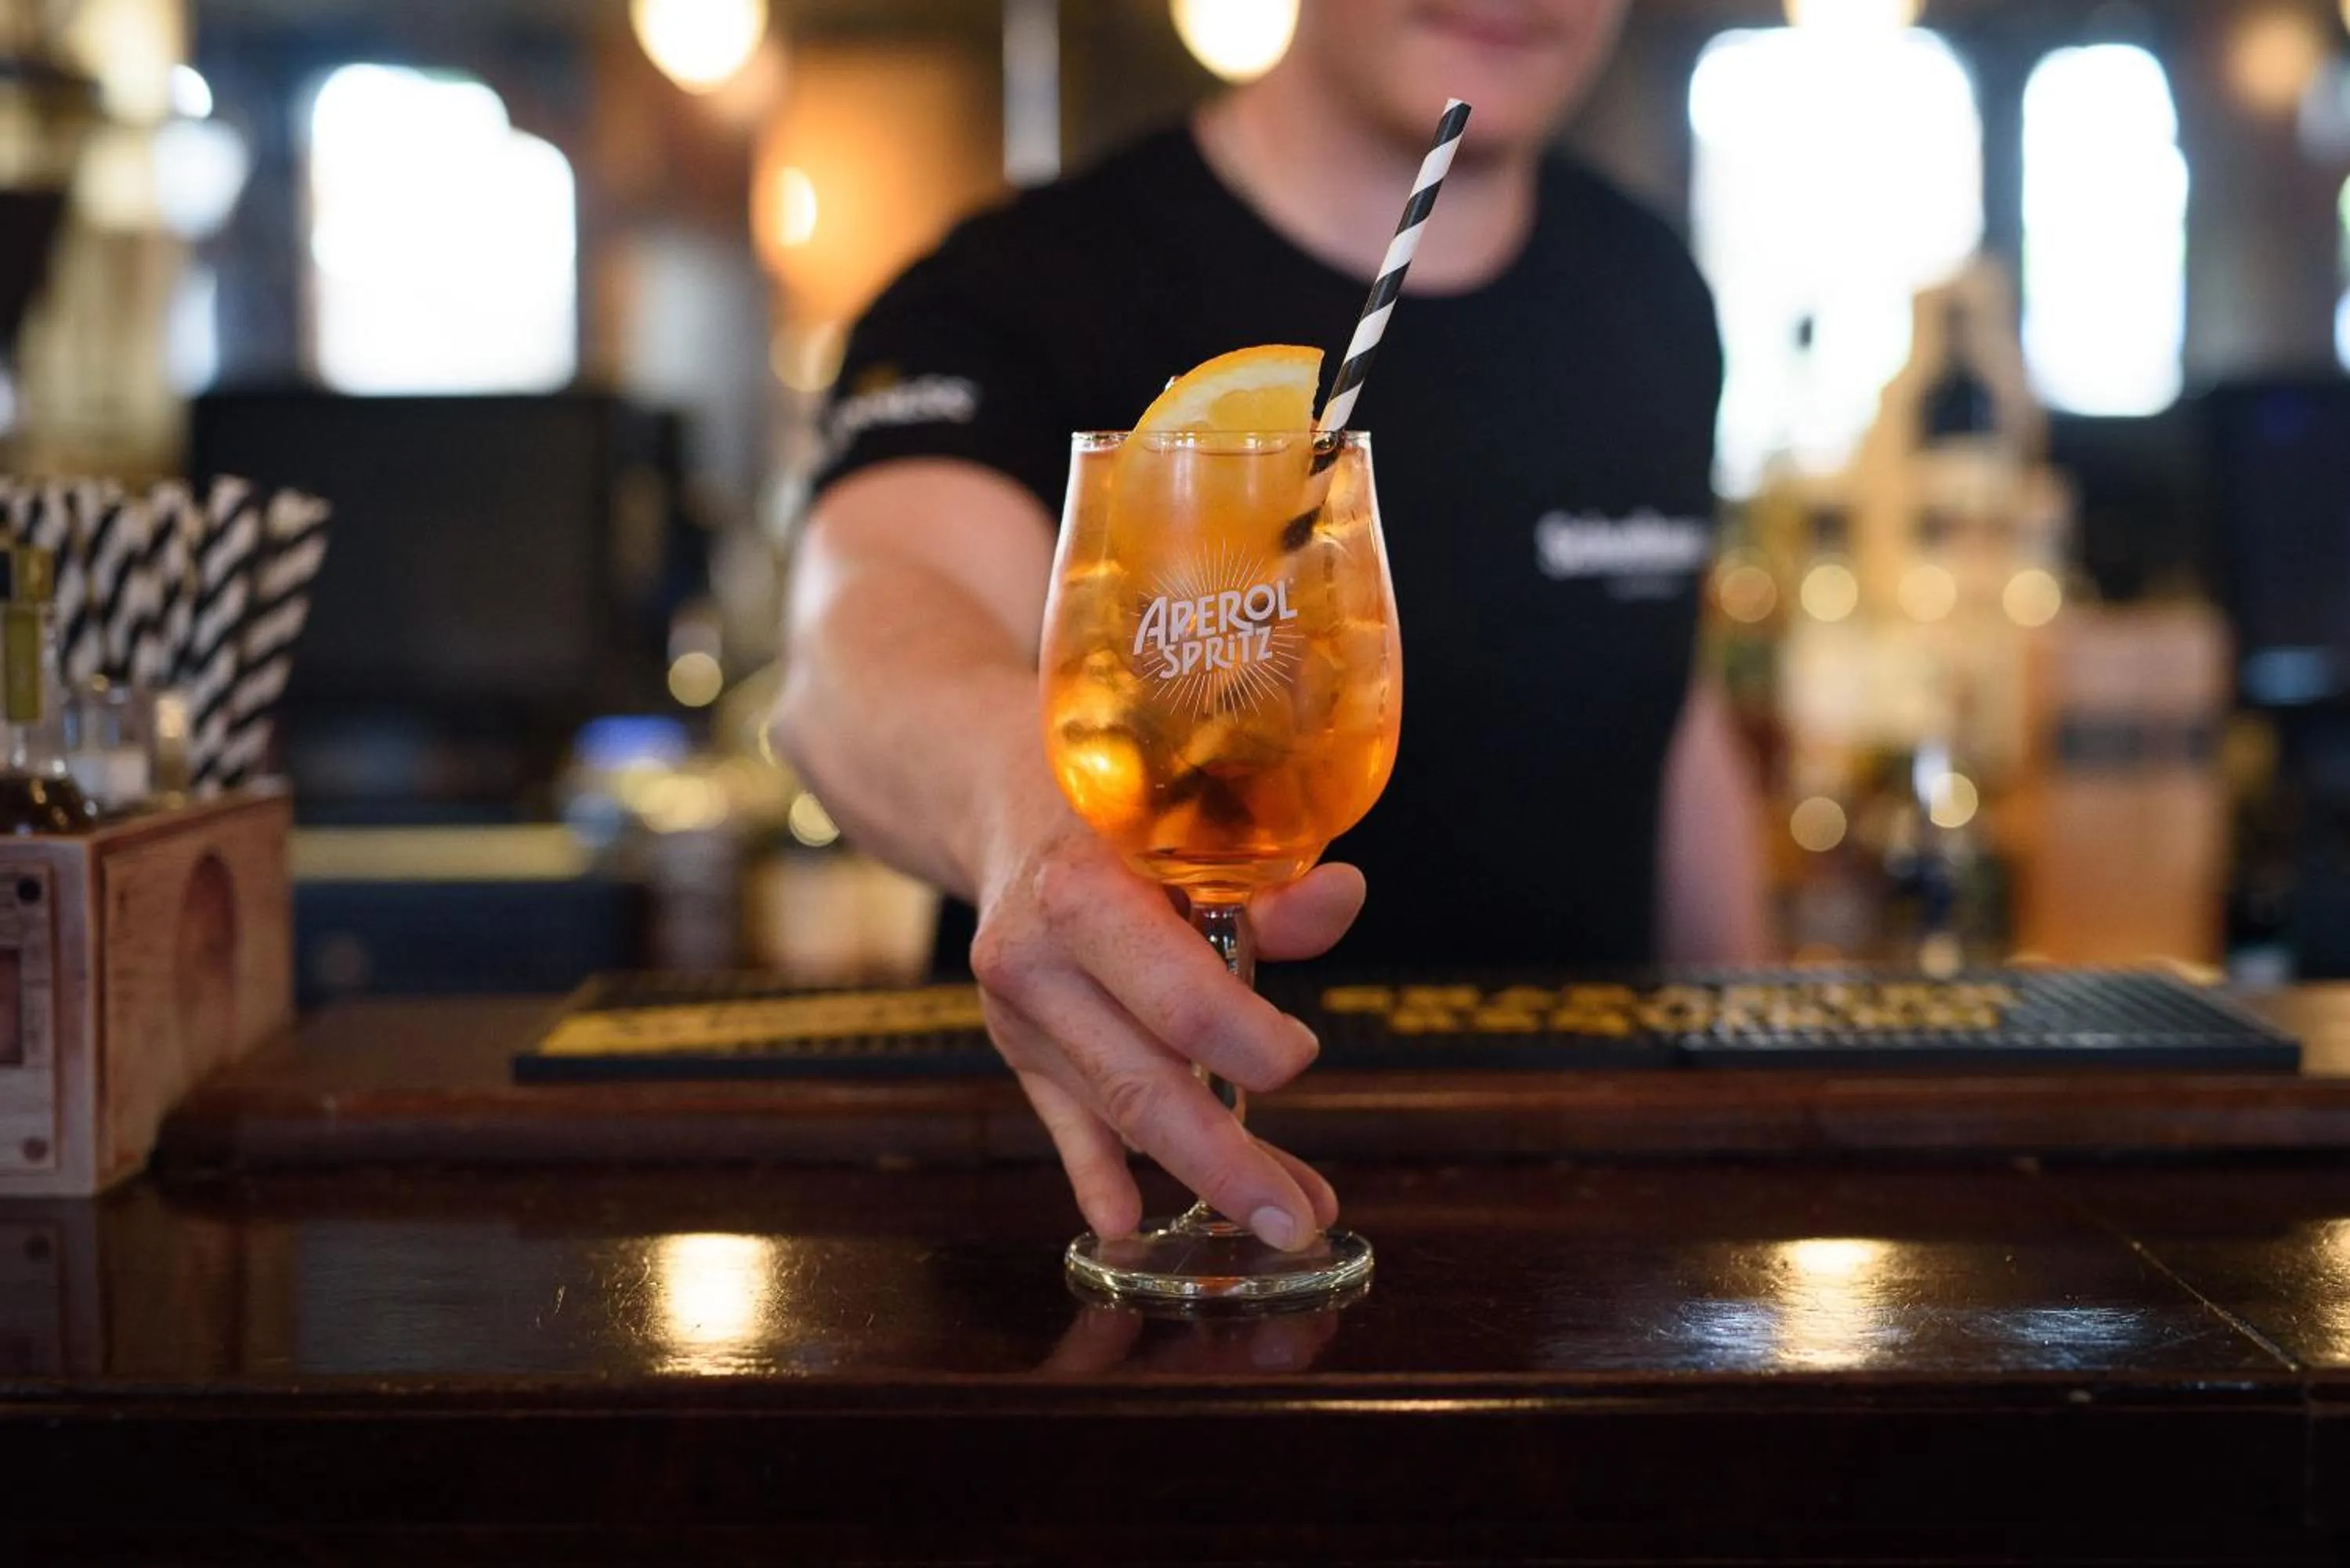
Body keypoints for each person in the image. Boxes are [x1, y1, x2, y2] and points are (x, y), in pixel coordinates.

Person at [775, 0, 1767, 1256]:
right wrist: (1020, 818)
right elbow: (855, 637)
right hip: (1092, 1236)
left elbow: (1669, 720)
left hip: (1586, 1236)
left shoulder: (1651, 292)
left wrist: (1760, 1118)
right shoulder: (1019, 285)